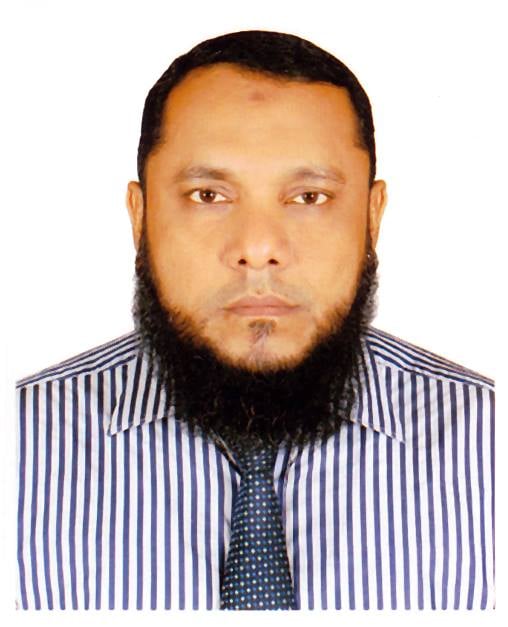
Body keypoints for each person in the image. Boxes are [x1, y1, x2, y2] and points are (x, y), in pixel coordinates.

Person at [16, 30, 494, 611]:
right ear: (140, 218)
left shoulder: (487, 445)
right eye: (208, 195)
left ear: (372, 218)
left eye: (310, 197)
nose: (259, 248)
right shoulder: (20, 448)